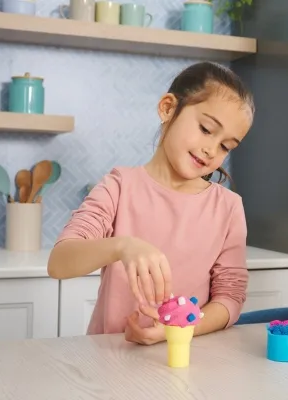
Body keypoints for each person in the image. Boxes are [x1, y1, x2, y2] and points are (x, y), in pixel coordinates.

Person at [47, 61, 255, 345]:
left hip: (185, 360)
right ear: (168, 108)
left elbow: (230, 298)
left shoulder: (228, 207)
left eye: (225, 146)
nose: (211, 150)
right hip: (109, 359)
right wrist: (122, 246)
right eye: (206, 129)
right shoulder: (119, 186)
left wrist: (179, 329)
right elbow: (59, 263)